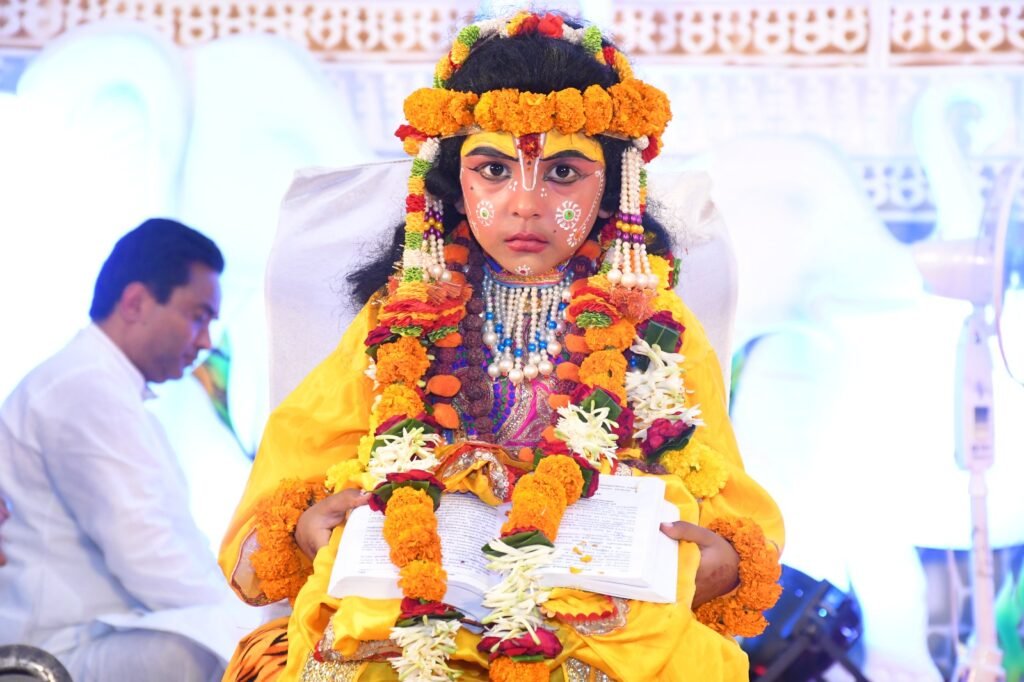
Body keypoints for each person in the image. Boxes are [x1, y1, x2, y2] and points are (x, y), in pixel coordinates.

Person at [220, 11, 784, 681]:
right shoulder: (397, 320)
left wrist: (722, 562)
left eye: (563, 173)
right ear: (455, 187)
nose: (525, 204)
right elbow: (292, 481)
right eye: (493, 169)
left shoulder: (654, 326)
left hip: (599, 618)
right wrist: (308, 528)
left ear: (614, 190)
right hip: (412, 605)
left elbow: (722, 497)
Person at [0, 218, 231, 681]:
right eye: (198, 316)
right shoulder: (83, 385)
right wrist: (254, 627)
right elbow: (147, 551)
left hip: (93, 636)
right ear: (136, 302)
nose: (206, 341)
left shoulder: (106, 387)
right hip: (47, 652)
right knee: (197, 653)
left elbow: (173, 544)